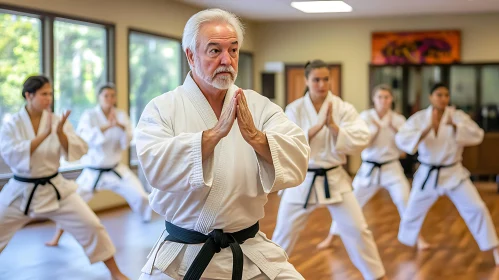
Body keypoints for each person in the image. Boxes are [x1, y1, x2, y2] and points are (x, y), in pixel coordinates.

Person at [135, 8, 310, 280]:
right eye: (214, 51)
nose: (226, 60)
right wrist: (213, 135)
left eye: (233, 50)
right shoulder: (162, 109)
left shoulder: (258, 106)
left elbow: (297, 153)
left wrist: (256, 137)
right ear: (191, 56)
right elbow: (155, 166)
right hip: (183, 256)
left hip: (248, 249)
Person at [0, 75, 128, 280]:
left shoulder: (58, 120)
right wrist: (44, 135)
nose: (48, 98)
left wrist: (59, 133)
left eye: (50, 93)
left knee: (91, 224)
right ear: (28, 95)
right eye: (43, 94)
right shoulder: (12, 124)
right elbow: (10, 154)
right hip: (20, 189)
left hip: (54, 186)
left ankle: (116, 272)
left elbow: (79, 149)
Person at [271, 60, 386, 280]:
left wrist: (333, 126)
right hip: (302, 179)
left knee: (358, 230)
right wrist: (316, 127)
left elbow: (362, 138)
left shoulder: (342, 108)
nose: (322, 84)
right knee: (282, 235)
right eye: (316, 79)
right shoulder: (294, 108)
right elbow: (285, 141)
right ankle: (266, 276)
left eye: (326, 79)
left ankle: (377, 276)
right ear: (306, 80)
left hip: (334, 177)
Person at [396, 82, 499, 265]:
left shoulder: (457, 117)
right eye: (439, 94)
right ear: (431, 97)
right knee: (412, 211)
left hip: (454, 173)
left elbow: (478, 135)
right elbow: (402, 140)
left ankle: (495, 248)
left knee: (477, 208)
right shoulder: (420, 119)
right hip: (428, 173)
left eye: (446, 95)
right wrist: (428, 128)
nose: (443, 98)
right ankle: (413, 242)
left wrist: (455, 126)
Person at [316, 84, 429, 251]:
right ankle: (331, 236)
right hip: (369, 169)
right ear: (374, 99)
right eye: (380, 97)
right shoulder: (365, 117)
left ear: (392, 99)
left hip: (392, 168)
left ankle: (418, 238)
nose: (383, 101)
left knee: (404, 200)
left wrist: (392, 128)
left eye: (387, 97)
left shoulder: (398, 120)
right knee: (351, 202)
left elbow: (405, 150)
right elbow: (362, 144)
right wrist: (376, 129)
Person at [46, 83, 152, 247]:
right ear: (99, 97)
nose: (110, 99)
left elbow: (127, 140)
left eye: (112, 95)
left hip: (116, 169)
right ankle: (57, 236)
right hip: (93, 172)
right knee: (73, 203)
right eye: (106, 96)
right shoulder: (89, 115)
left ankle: (147, 224)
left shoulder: (121, 115)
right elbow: (85, 138)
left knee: (141, 196)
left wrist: (119, 125)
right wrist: (107, 126)